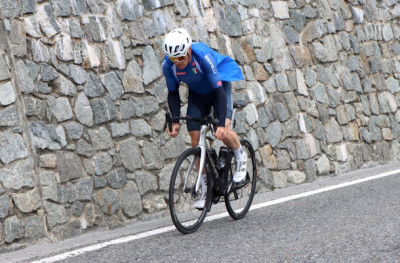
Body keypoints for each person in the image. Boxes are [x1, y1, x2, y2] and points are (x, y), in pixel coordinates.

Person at [162, 28, 247, 209]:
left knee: (224, 130)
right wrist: (175, 122)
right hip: (198, 95)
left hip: (219, 90)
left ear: (189, 51)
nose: (178, 63)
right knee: (195, 140)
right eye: (173, 59)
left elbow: (219, 92)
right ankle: (204, 187)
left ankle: (240, 156)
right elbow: (173, 92)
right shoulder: (168, 65)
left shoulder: (203, 58)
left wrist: (222, 125)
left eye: (181, 58)